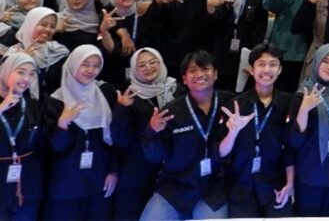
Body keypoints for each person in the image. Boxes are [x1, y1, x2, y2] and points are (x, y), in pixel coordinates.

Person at [140, 50, 233, 220]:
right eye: (193, 70)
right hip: (175, 187)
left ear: (215, 74)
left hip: (213, 189)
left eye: (205, 69)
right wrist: (152, 130)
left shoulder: (230, 103)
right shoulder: (171, 111)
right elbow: (155, 157)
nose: (199, 74)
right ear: (184, 79)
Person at [216, 43, 295, 217]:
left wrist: (290, 184)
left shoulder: (288, 103)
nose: (267, 70)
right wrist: (233, 132)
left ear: (280, 69)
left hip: (275, 185)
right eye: (261, 64)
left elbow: (291, 149)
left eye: (273, 64)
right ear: (251, 70)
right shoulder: (236, 105)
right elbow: (221, 152)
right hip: (241, 185)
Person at [43, 45, 118, 220]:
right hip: (65, 183)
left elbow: (114, 138)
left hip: (99, 179)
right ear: (73, 64)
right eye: (85, 64)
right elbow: (55, 147)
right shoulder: (56, 101)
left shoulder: (105, 94)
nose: (91, 70)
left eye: (96, 65)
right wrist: (63, 122)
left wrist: (114, 171)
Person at [110, 47, 178, 220]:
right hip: (137, 172)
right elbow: (120, 139)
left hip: (169, 172)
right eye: (141, 65)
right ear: (134, 70)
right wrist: (122, 108)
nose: (148, 67)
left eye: (153, 62)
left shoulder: (175, 90)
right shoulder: (129, 96)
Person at [289, 44, 329, 216]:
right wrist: (304, 110)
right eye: (325, 61)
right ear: (316, 62)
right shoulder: (302, 94)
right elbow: (294, 141)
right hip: (310, 170)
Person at [0, 53, 45, 221]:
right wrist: (1, 108)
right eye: (21, 72)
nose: (26, 79)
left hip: (27, 181)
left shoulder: (32, 104)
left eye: (32, 74)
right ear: (6, 70)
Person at [6, 7, 67, 98]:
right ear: (31, 24)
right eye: (43, 24)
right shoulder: (14, 53)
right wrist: (21, 61)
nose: (48, 29)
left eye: (52, 26)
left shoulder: (57, 51)